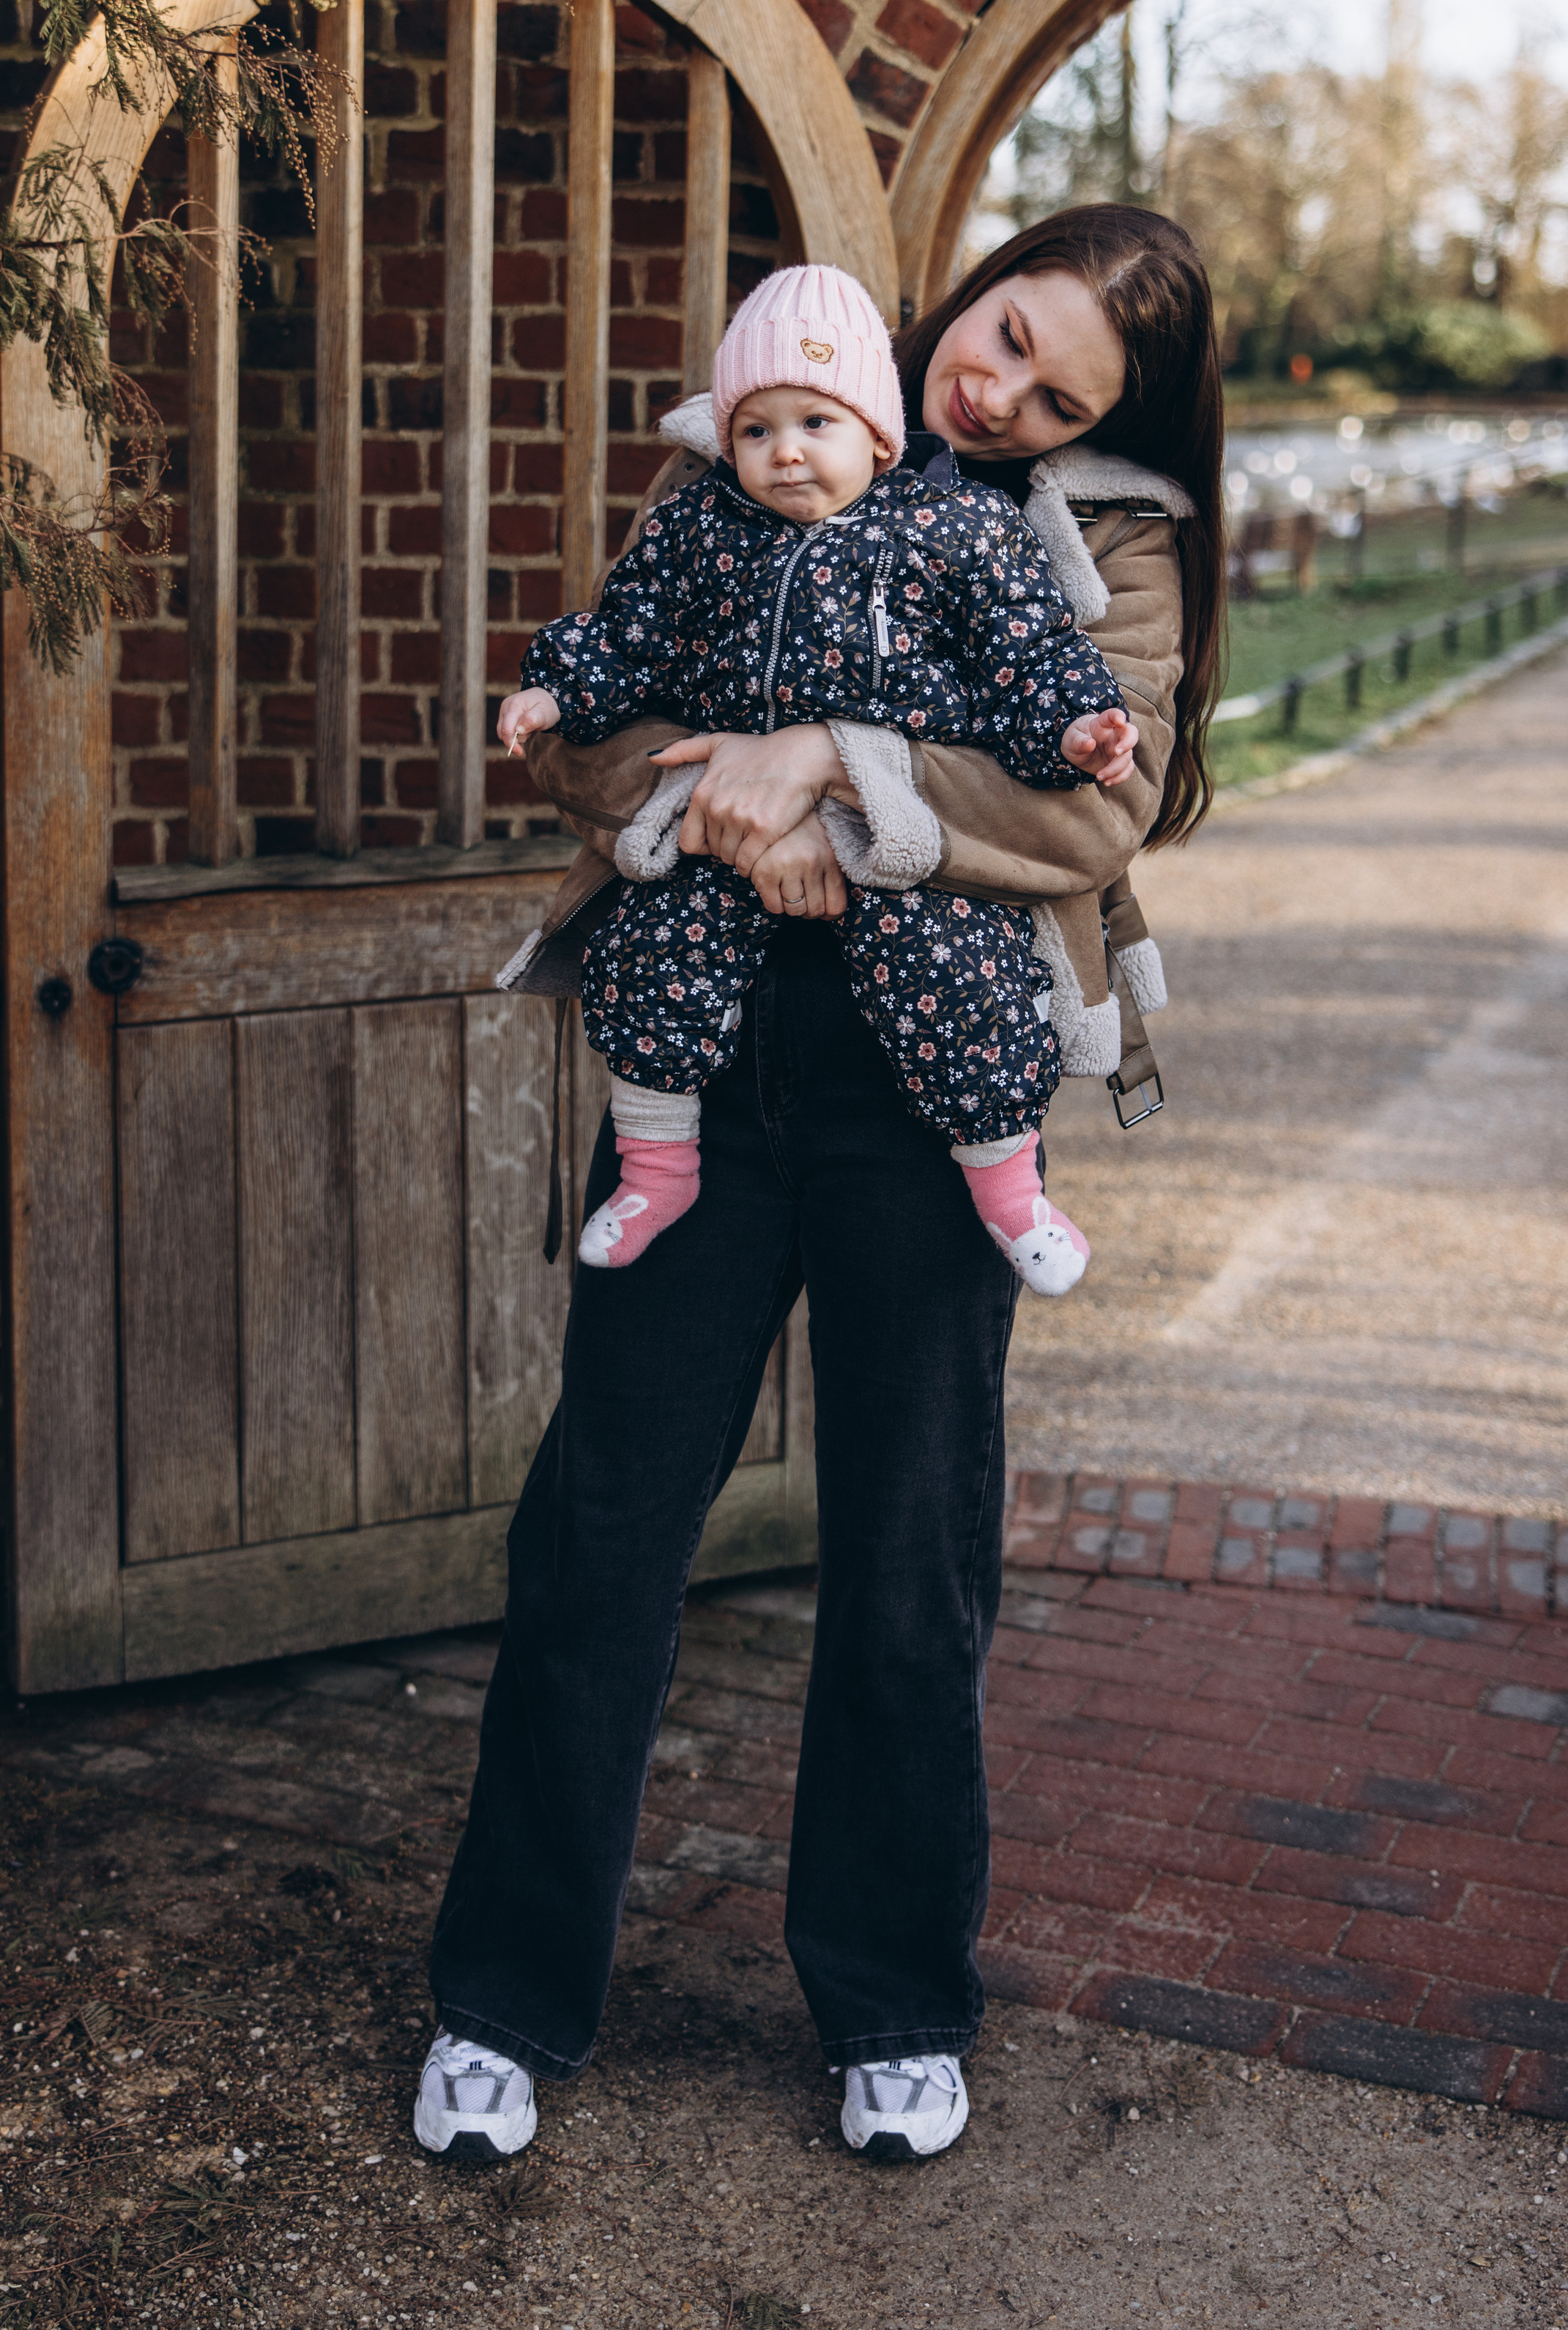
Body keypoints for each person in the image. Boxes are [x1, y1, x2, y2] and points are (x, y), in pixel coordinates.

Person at [414, 205, 1225, 2169]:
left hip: (925, 1085)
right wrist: (718, 790)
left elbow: (1100, 797)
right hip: (709, 1050)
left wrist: (832, 771)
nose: (1003, 389)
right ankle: (505, 1996)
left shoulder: (1103, 543)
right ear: (982, 277)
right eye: (1010, 334)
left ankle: (888, 1996)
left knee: (907, 1547)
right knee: (602, 1522)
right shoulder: (763, 425)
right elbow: (595, 728)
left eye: (1057, 393)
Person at [497, 263, 1137, 1292]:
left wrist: (1075, 731)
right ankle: (656, 1166)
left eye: (815, 424)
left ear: (878, 437)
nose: (784, 450)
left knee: (963, 988)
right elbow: (627, 635)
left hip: (893, 852)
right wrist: (557, 694)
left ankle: (1011, 1190)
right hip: (723, 850)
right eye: (756, 429)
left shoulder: (957, 532)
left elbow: (1029, 656)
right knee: (653, 955)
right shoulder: (699, 529)